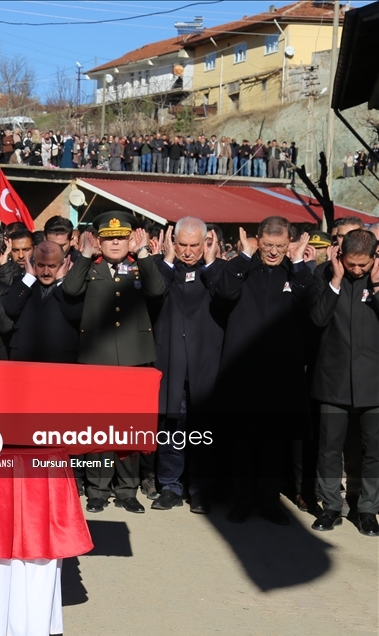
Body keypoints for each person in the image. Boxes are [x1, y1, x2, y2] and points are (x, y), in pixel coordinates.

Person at [206, 216, 314, 525]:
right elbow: (224, 293)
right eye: (267, 245)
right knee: (243, 441)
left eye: (280, 246)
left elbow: (310, 304)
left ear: (288, 244)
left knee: (273, 442)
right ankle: (242, 500)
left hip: (280, 375)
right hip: (244, 373)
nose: (272, 252)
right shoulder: (242, 267)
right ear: (257, 240)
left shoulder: (294, 272)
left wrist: (296, 264)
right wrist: (242, 256)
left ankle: (268, 501)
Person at [63, 211, 166, 514]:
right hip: (98, 362)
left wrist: (144, 252)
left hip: (135, 361)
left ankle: (127, 490)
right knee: (98, 431)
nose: (116, 243)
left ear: (131, 238)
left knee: (131, 429)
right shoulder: (91, 268)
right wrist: (84, 254)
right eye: (109, 238)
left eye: (121, 237)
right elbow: (70, 290)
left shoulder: (140, 266)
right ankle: (97, 490)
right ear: (98, 241)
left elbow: (158, 290)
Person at [151, 217, 226, 514]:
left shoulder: (217, 271)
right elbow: (152, 293)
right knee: (171, 426)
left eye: (195, 245)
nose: (188, 251)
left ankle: (200, 488)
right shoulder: (162, 268)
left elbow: (228, 294)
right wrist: (167, 260)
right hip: (170, 362)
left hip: (205, 364)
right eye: (182, 244)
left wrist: (210, 264)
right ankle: (170, 486)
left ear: (206, 243)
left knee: (202, 428)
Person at [309, 230, 379, 535]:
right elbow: (317, 319)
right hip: (332, 379)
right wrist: (336, 282)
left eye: (364, 265)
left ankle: (368, 510)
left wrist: (376, 284)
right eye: (352, 264)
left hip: (374, 380)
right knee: (328, 447)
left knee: (374, 450)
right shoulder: (323, 275)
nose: (357, 270)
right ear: (340, 257)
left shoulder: (376, 279)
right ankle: (331, 508)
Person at [3, 240, 81, 363]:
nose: (45, 272)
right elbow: (10, 309)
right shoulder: (23, 283)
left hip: (60, 361)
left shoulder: (73, 287)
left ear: (63, 264)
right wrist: (29, 278)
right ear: (33, 263)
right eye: (40, 265)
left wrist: (61, 282)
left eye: (52, 266)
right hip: (24, 360)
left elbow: (74, 314)